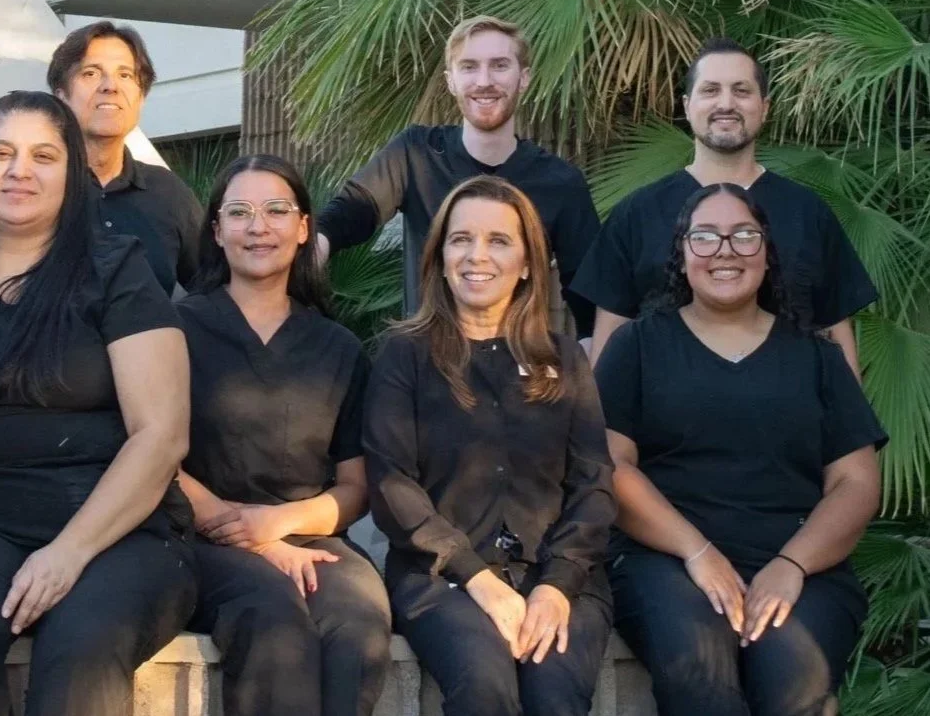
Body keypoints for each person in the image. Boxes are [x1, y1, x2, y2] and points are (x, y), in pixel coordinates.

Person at [0, 90, 197, 716]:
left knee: (84, 645)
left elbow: (161, 435)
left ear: (73, 175)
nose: (19, 170)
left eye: (43, 156)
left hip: (117, 527)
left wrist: (70, 551)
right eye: (0, 152)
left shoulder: (117, 270)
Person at [595, 182, 884, 716]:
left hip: (802, 560)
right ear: (681, 254)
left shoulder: (817, 359)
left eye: (743, 235)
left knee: (793, 693)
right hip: (666, 560)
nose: (724, 250)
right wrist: (698, 553)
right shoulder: (635, 346)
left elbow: (857, 482)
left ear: (767, 253)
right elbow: (611, 466)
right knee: (702, 687)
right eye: (704, 236)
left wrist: (791, 565)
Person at [365, 175, 615, 716]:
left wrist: (556, 586)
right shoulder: (402, 356)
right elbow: (391, 484)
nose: (477, 255)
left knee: (556, 692)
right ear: (440, 255)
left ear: (528, 263)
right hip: (441, 577)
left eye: (499, 241)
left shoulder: (565, 359)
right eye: (461, 239)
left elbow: (593, 485)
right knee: (484, 685)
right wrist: (476, 577)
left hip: (560, 574)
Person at [177, 154, 392, 716]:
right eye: (240, 212)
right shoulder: (175, 331)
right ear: (217, 230)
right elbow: (153, 459)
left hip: (307, 535)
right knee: (273, 618)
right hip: (200, 539)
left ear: (303, 229)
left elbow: (355, 488)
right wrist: (250, 536)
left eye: (276, 210)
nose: (258, 227)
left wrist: (280, 524)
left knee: (358, 623)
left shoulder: (337, 347)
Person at [575, 38, 876, 374]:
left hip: (790, 418)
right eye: (711, 90)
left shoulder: (807, 213)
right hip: (661, 420)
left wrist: (854, 421)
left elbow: (837, 333)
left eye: (741, 91)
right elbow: (610, 335)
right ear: (688, 106)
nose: (726, 103)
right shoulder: (637, 213)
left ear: (764, 107)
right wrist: (600, 421)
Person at [318, 16, 601, 334]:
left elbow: (591, 295)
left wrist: (587, 366)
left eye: (499, 65)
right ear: (450, 80)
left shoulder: (560, 183)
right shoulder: (415, 154)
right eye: (469, 67)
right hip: (424, 365)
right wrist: (310, 246)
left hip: (520, 369)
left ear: (524, 79)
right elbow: (351, 212)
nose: (484, 81)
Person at [49, 19, 205, 294]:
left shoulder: (168, 192)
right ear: (61, 96)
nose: (110, 86)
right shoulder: (35, 185)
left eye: (125, 75)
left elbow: (214, 290)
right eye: (91, 73)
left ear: (141, 98)